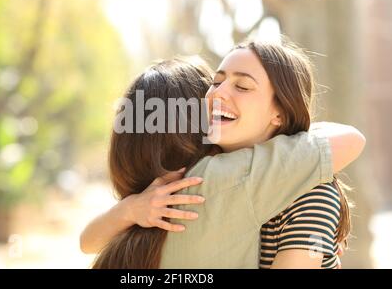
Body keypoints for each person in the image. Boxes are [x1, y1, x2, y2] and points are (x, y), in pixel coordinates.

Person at [82, 40, 365, 268]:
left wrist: (130, 208)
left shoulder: (308, 191)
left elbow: (87, 242)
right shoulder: (204, 181)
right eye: (215, 83)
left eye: (242, 86)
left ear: (280, 111)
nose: (218, 94)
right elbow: (348, 139)